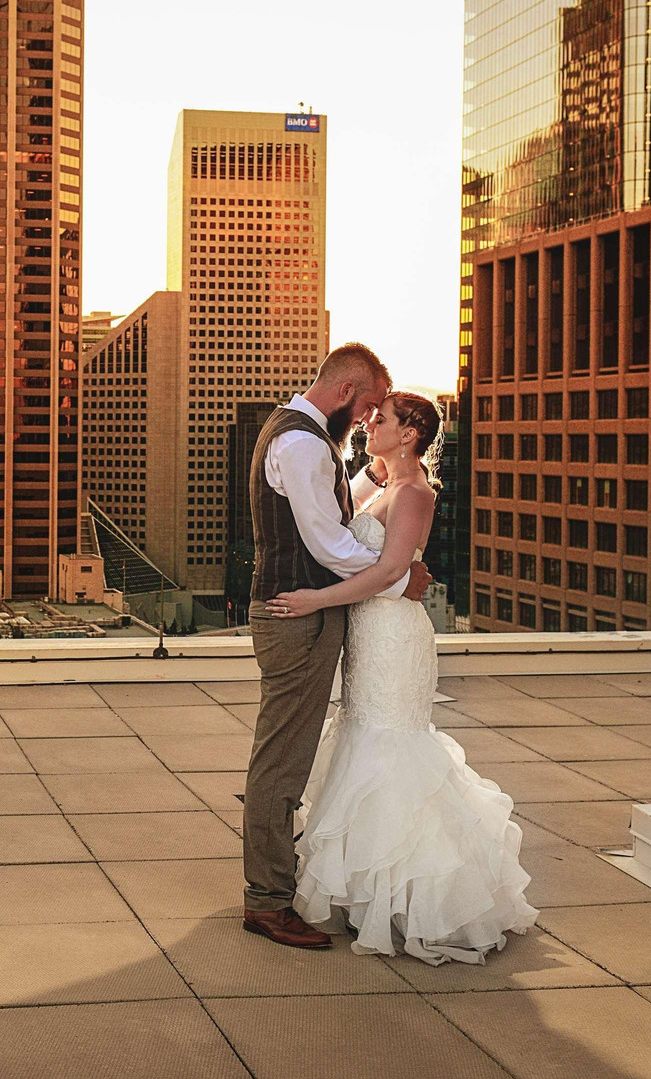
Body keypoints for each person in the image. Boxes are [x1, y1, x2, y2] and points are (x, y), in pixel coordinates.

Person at [269, 390, 536, 963]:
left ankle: (413, 899)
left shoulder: (414, 493)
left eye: (381, 419)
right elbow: (350, 516)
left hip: (393, 636)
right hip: (370, 633)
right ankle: (371, 895)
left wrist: (315, 601)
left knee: (390, 749)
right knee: (363, 742)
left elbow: (392, 569)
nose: (368, 423)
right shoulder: (389, 485)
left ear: (410, 432)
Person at [241, 344, 429, 950]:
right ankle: (267, 902)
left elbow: (343, 511)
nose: (369, 419)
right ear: (348, 393)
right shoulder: (299, 442)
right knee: (283, 762)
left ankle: (280, 890)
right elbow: (326, 542)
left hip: (313, 616)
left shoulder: (308, 438)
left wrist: (384, 475)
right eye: (370, 405)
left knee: (291, 755)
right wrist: (400, 576)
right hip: (297, 616)